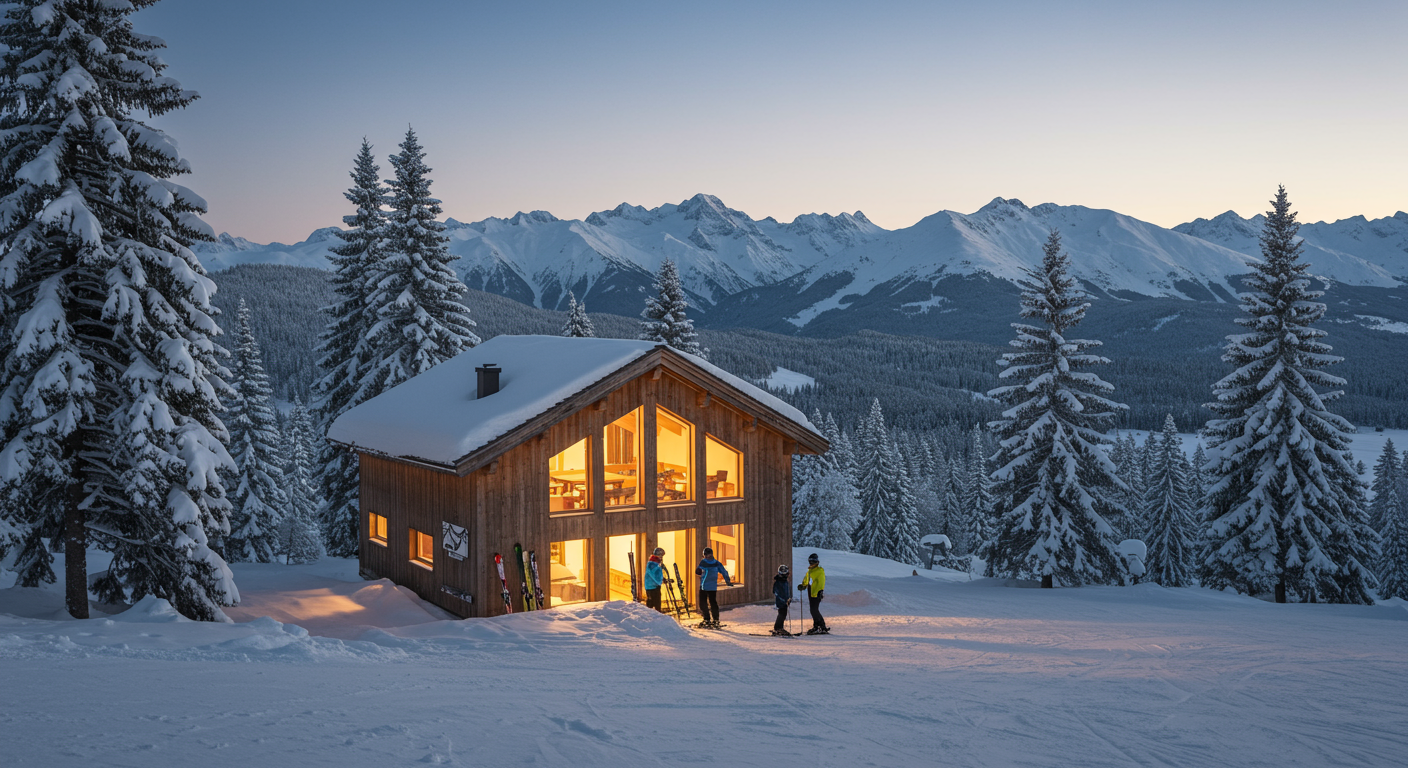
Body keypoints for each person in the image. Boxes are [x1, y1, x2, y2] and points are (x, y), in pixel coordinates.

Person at [695, 547, 732, 628]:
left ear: (704, 555)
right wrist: (728, 581)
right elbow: (724, 571)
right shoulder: (717, 563)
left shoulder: (703, 562)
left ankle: (707, 619)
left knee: (703, 603)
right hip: (712, 587)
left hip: (704, 586)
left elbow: (697, 571)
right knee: (713, 603)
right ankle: (716, 619)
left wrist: (699, 572)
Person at [798, 552, 828, 634]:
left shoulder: (819, 571)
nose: (812, 563)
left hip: (816, 593)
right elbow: (806, 580)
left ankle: (822, 626)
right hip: (811, 592)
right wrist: (803, 585)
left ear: (817, 562)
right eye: (810, 561)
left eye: (814, 561)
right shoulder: (810, 571)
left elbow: (821, 582)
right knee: (813, 610)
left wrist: (820, 591)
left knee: (814, 610)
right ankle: (817, 626)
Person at [772, 565, 793, 636]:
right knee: (782, 614)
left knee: (783, 614)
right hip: (781, 602)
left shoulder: (785, 582)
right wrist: (784, 600)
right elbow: (776, 592)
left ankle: (780, 627)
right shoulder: (778, 582)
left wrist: (789, 598)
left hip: (785, 602)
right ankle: (778, 627)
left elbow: (786, 592)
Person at [644, 547, 666, 612]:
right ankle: (651, 617)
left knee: (655, 603)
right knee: (654, 604)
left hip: (654, 586)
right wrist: (660, 581)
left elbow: (657, 574)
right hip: (652, 587)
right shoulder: (652, 564)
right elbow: (653, 575)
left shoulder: (655, 564)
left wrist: (663, 579)